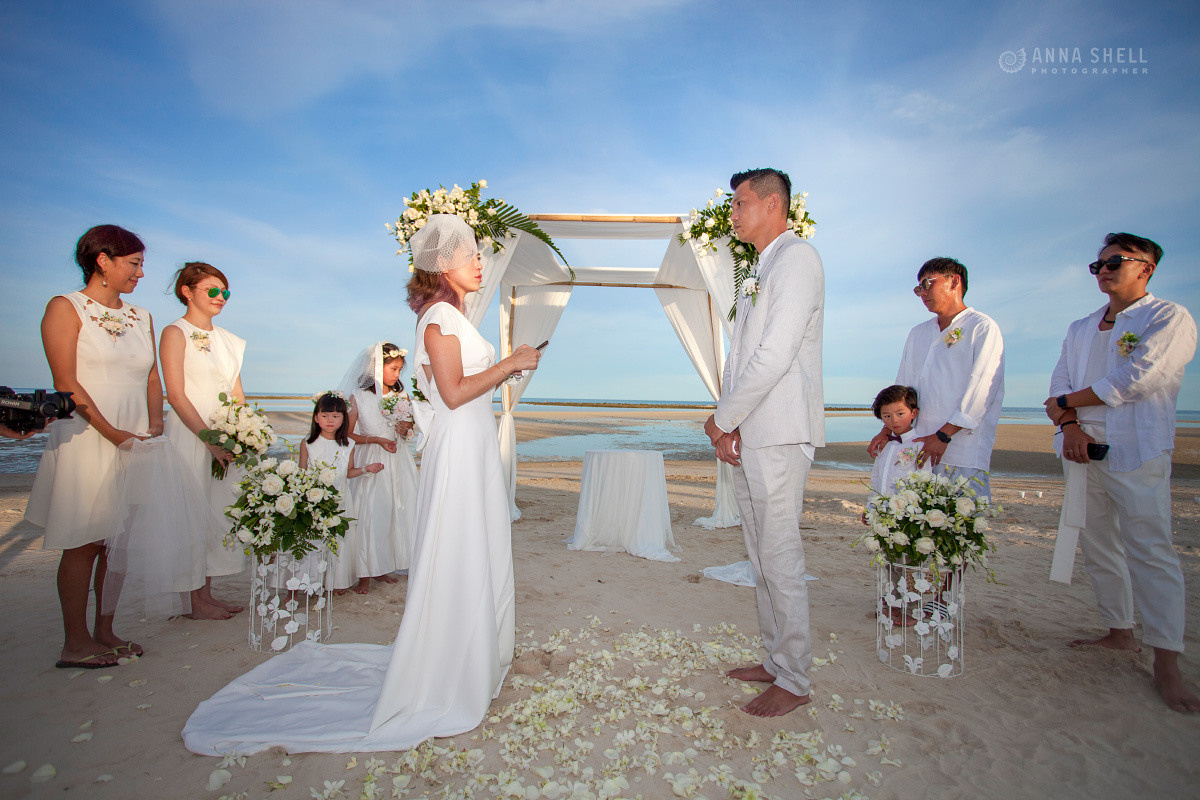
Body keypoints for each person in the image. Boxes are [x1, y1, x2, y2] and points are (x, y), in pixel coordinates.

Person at [183, 214, 540, 753]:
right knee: (457, 543)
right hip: (460, 443)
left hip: (472, 444)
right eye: (471, 256)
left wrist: (506, 369)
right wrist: (511, 363)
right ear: (443, 265)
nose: (479, 263)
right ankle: (448, 665)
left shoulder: (451, 315)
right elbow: (453, 390)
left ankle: (472, 652)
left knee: (476, 541)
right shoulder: (439, 315)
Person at [1043, 232, 1199, 713]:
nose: (1104, 270)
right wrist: (1069, 426)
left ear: (1146, 267)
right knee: (1098, 543)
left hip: (1137, 449)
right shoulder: (1080, 326)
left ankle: (1167, 662)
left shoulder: (1167, 317)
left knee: (1150, 549)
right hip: (1078, 451)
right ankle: (1119, 631)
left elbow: (1137, 379)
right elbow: (1057, 386)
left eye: (1115, 262)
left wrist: (1067, 403)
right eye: (1098, 265)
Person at [703, 168, 824, 717]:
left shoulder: (797, 260)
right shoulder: (762, 265)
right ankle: (777, 659)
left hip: (780, 431)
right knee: (759, 553)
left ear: (773, 204)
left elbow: (774, 355)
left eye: (741, 202)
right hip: (757, 431)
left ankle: (795, 679)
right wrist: (737, 428)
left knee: (779, 553)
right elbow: (743, 357)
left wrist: (723, 419)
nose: (733, 213)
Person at [26, 225, 160, 669]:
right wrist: (112, 433)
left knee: (117, 539)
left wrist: (154, 425)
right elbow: (65, 381)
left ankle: (106, 629)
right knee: (84, 540)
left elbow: (151, 375)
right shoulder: (65, 307)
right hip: (86, 434)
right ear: (103, 259)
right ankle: (75, 641)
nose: (140, 273)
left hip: (136, 436)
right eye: (134, 263)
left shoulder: (143, 317)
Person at [869, 257, 1004, 499]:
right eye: (918, 288)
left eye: (927, 283)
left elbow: (982, 389)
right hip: (916, 450)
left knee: (959, 529)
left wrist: (943, 435)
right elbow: (901, 392)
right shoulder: (918, 333)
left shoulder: (981, 327)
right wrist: (887, 430)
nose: (922, 293)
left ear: (954, 282)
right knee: (914, 528)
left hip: (962, 451)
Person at [160, 262, 246, 620]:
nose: (220, 298)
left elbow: (237, 394)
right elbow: (177, 395)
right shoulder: (174, 333)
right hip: (190, 434)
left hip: (225, 437)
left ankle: (206, 595)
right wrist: (208, 440)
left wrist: (242, 435)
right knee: (189, 515)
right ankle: (193, 603)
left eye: (225, 292)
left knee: (216, 513)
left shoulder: (229, 339)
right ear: (187, 291)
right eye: (212, 290)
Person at [339, 342, 419, 594]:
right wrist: (376, 439)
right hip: (372, 457)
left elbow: (408, 427)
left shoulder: (401, 396)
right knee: (370, 514)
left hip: (398, 458)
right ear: (376, 367)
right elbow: (348, 433)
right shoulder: (359, 397)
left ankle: (384, 565)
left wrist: (404, 428)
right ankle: (364, 572)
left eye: (399, 370)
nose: (397, 374)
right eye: (392, 368)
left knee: (396, 511)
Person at [301, 392, 384, 595]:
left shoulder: (348, 445)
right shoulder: (308, 444)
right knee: (313, 539)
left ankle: (335, 582)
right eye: (325, 415)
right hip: (314, 499)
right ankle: (308, 582)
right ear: (316, 417)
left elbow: (347, 472)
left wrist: (366, 469)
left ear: (343, 419)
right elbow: (301, 474)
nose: (330, 420)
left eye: (336, 416)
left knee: (338, 540)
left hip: (340, 499)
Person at [867, 384, 927, 503]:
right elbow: (876, 478)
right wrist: (871, 505)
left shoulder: (920, 445)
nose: (894, 420)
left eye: (900, 414)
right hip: (882, 509)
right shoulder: (883, 445)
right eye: (887, 416)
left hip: (908, 511)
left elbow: (925, 480)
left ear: (913, 413)